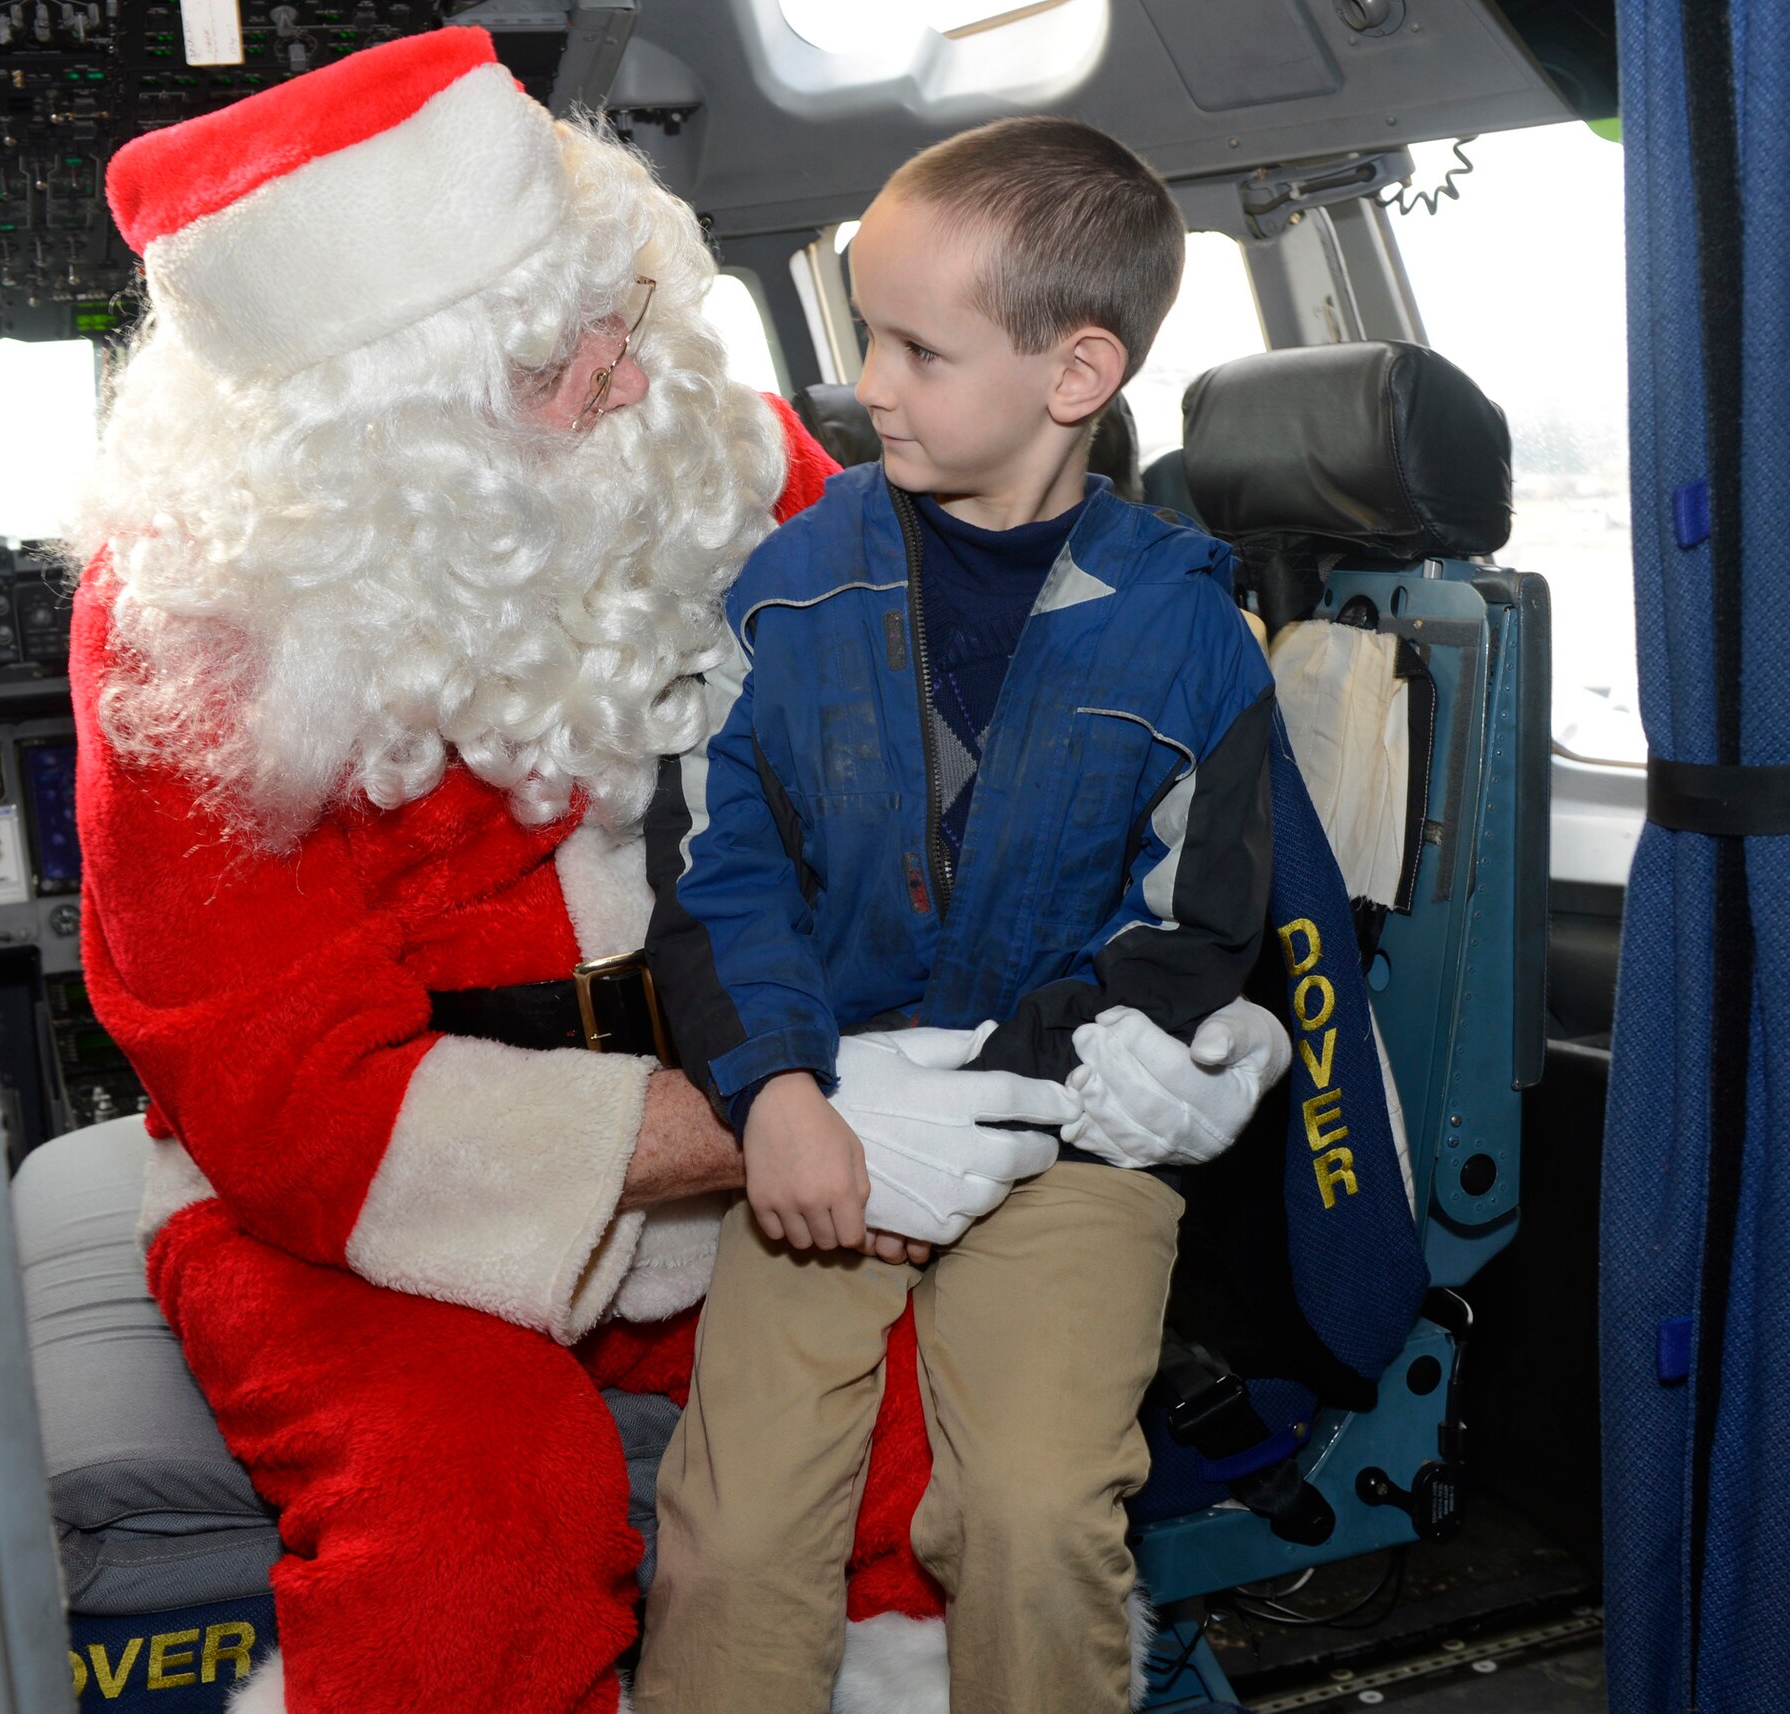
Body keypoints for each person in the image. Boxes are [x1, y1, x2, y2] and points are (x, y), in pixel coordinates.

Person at [67, 31, 1287, 1714]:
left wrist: (1196, 1003)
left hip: (753, 1132)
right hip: (362, 1216)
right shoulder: (192, 646)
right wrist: (787, 1113)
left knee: (970, 1473)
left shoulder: (726, 463)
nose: (633, 382)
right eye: (563, 362)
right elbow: (290, 1104)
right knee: (470, 1533)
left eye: (621, 312)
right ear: (380, 436)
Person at [638, 118, 1280, 1714]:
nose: (870, 381)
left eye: (920, 348)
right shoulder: (784, 589)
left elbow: (1199, 925)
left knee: (1033, 1513)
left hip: (1062, 1143)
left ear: (1074, 375)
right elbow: (719, 872)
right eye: (865, 330)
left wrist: (1043, 1065)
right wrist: (783, 1091)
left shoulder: (1194, 639)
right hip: (834, 1115)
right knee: (732, 1533)